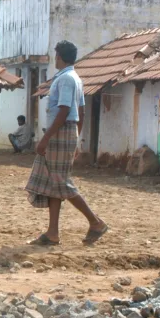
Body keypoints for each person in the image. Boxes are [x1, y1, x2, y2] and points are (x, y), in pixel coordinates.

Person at [25, 40, 108, 246]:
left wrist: (45, 139)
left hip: (60, 131)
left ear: (59, 57)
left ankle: (95, 222)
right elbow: (80, 111)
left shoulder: (66, 79)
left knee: (60, 182)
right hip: (67, 132)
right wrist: (76, 139)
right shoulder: (74, 78)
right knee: (55, 181)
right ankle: (53, 233)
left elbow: (63, 111)